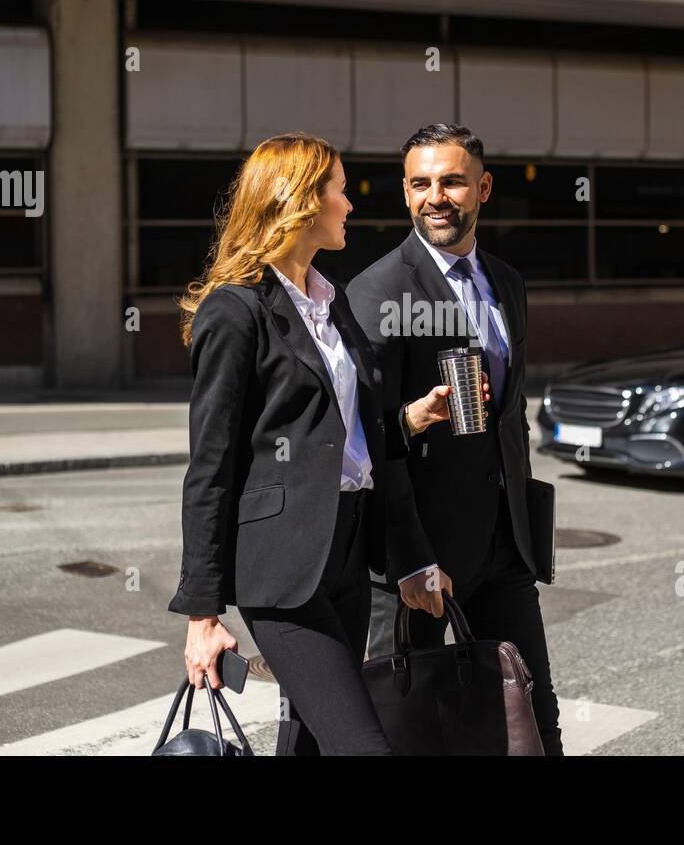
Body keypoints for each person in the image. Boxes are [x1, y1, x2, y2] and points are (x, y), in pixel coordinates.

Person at [168, 132, 476, 755]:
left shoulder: (332, 305)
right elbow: (211, 466)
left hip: (347, 559)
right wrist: (202, 616)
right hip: (283, 572)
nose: (350, 205)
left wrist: (412, 556)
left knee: (308, 743)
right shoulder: (236, 311)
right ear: (303, 201)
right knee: (364, 747)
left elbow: (366, 450)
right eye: (339, 189)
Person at [346, 123, 564, 756]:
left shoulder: (508, 284)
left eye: (451, 181)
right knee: (409, 726)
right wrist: (408, 558)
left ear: (484, 188)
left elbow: (510, 415)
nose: (435, 196)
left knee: (530, 716)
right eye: (420, 183)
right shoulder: (378, 290)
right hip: (420, 559)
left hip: (504, 550)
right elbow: (368, 445)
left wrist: (523, 523)